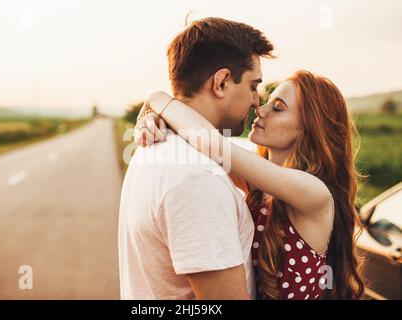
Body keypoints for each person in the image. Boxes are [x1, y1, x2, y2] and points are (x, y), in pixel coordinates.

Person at [136, 70, 365, 300]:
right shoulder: (260, 187)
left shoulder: (314, 192)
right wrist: (157, 120)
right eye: (267, 103)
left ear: (309, 127)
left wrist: (158, 99)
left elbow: (211, 143)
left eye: (277, 108)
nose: (260, 109)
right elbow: (197, 142)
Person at [118, 17, 274, 299]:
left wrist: (159, 102)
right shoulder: (197, 179)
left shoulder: (154, 147)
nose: (256, 101)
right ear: (222, 82)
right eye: (253, 86)